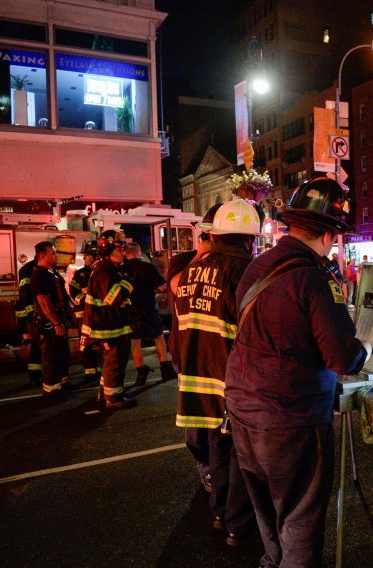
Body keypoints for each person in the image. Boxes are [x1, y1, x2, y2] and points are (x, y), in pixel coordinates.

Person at [226, 177, 369, 568]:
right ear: (329, 235)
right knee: (300, 521)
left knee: (268, 515)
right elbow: (341, 356)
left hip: (241, 410)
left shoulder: (257, 267)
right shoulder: (314, 278)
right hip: (291, 419)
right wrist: (365, 351)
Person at [173, 199, 259, 547]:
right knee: (241, 454)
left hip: (196, 376)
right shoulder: (243, 270)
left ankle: (220, 512)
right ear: (250, 240)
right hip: (230, 377)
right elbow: (251, 329)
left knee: (217, 449)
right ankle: (238, 525)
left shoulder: (193, 271)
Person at [168, 203, 221, 496]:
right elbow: (177, 287)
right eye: (208, 236)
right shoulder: (183, 261)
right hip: (187, 353)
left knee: (221, 417)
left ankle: (221, 469)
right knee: (197, 419)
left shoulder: (226, 265)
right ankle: (206, 467)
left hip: (218, 352)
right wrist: (201, 256)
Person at [83, 229, 137, 410]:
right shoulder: (104, 271)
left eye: (123, 247)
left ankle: (105, 392)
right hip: (108, 327)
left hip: (110, 325)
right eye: (119, 247)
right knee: (115, 362)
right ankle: (113, 399)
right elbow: (114, 298)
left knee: (110, 362)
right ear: (107, 250)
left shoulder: (108, 268)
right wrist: (128, 282)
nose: (123, 250)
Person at [123, 242, 176, 385]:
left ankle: (141, 371)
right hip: (149, 308)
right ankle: (165, 368)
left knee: (135, 342)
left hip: (131, 311)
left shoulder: (122, 269)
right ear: (139, 252)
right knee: (159, 338)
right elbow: (162, 287)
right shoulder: (147, 267)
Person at [30, 241, 74, 395]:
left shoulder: (52, 271)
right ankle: (52, 388)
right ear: (42, 255)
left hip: (59, 318)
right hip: (49, 323)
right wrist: (56, 323)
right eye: (53, 253)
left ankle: (63, 382)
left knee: (62, 353)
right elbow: (44, 301)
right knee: (51, 355)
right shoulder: (39, 275)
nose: (56, 255)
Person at [69, 240, 102, 384]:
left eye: (87, 255)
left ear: (95, 255)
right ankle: (90, 372)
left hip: (99, 314)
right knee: (87, 344)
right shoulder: (81, 274)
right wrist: (84, 300)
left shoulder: (101, 272)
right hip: (84, 314)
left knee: (100, 343)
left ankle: (100, 369)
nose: (84, 258)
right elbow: (73, 290)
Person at [15, 256, 42, 386]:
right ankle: (35, 376)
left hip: (33, 312)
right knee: (37, 345)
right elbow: (25, 293)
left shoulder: (40, 268)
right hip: (30, 313)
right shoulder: (28, 269)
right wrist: (32, 313)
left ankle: (36, 375)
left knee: (37, 345)